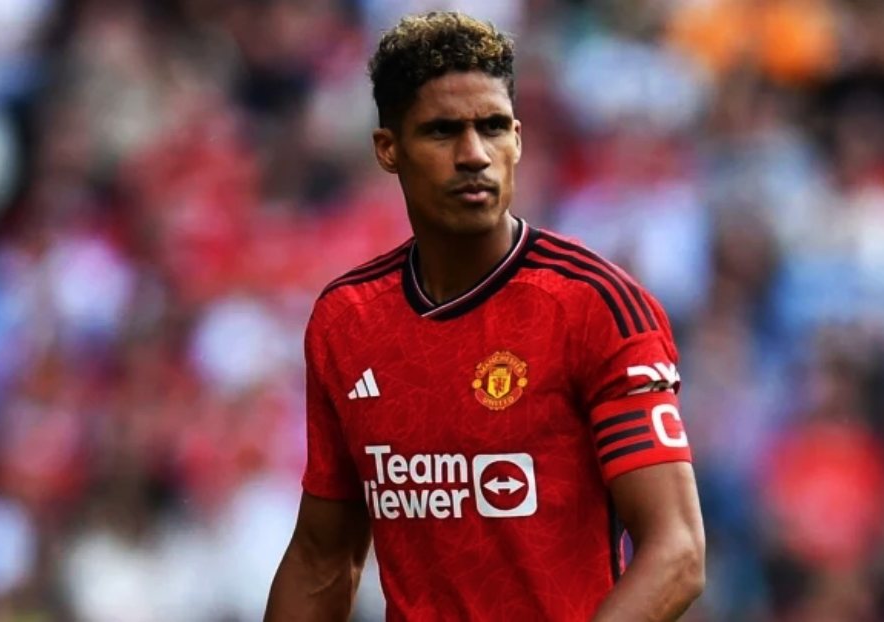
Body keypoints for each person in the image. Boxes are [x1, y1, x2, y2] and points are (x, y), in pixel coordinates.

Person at [265, 11, 705, 622]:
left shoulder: (594, 306)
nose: (474, 155)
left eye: (493, 127)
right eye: (442, 131)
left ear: (518, 139)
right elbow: (323, 559)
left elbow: (678, 553)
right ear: (388, 149)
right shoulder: (348, 320)